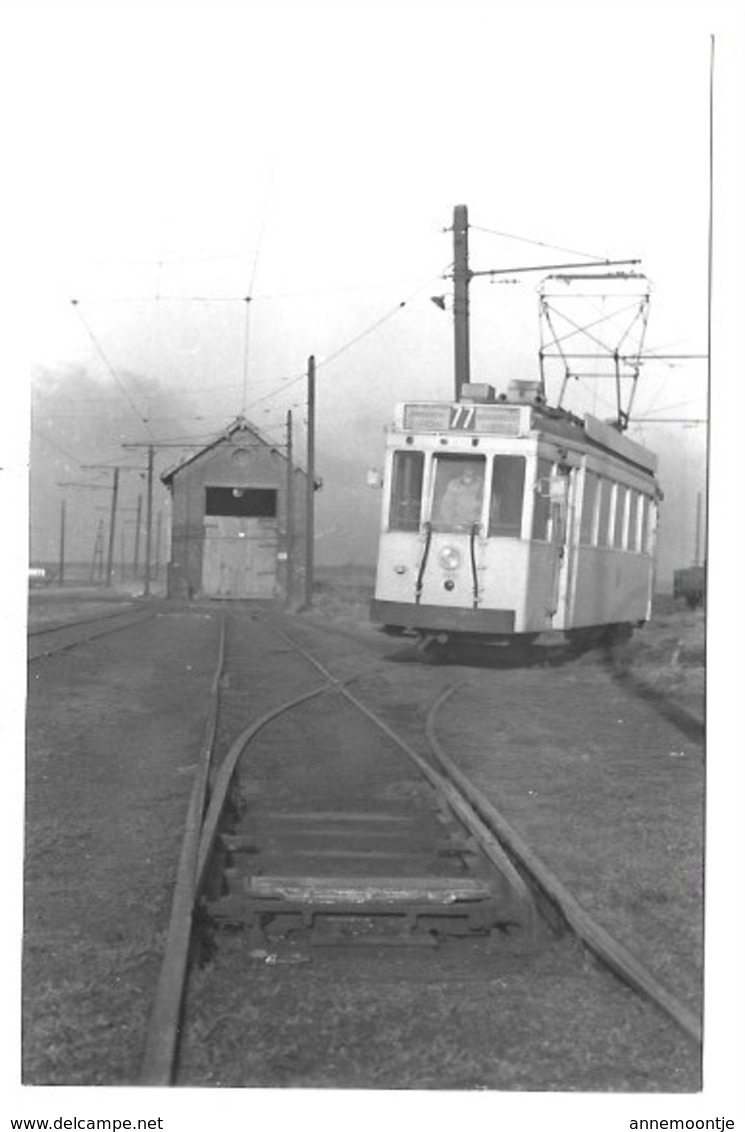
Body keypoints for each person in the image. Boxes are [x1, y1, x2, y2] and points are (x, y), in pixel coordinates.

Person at [437, 464, 483, 530]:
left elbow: (489, 509)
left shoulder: (484, 485)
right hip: (455, 527)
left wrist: (477, 523)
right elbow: (446, 507)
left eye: (471, 469)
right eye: (466, 471)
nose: (469, 472)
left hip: (476, 528)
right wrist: (452, 524)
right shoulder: (453, 485)